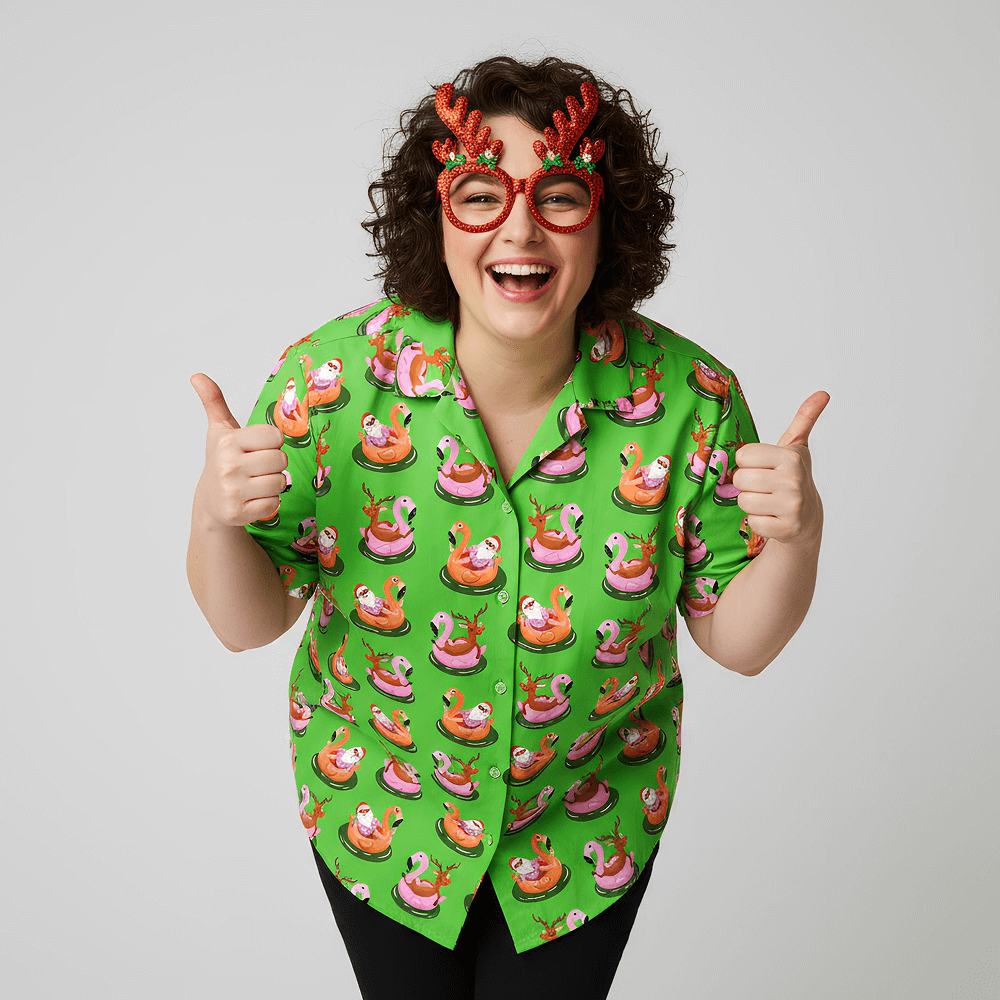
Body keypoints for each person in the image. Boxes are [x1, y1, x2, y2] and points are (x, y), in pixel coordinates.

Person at [187, 55, 826, 1000]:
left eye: (559, 194)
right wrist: (213, 519)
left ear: (609, 221)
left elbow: (740, 641)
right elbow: (248, 623)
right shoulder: (331, 385)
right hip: (381, 800)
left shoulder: (692, 401)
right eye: (481, 193)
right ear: (434, 217)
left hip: (589, 820)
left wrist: (800, 539)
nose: (520, 229)